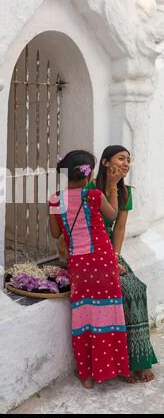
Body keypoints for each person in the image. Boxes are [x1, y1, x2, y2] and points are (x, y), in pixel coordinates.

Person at [49, 150, 130, 389]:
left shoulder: (55, 199)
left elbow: (55, 233)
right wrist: (114, 186)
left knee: (84, 316)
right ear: (87, 175)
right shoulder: (94, 194)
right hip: (103, 261)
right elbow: (113, 215)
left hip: (79, 265)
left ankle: (87, 375)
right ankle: (112, 367)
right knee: (108, 313)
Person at [86, 145, 158, 383]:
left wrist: (115, 258)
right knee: (123, 292)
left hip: (110, 254)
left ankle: (140, 361)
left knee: (136, 289)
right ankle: (124, 363)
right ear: (106, 162)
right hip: (90, 253)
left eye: (129, 159)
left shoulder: (125, 192)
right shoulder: (90, 188)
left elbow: (119, 227)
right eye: (121, 158)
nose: (126, 163)